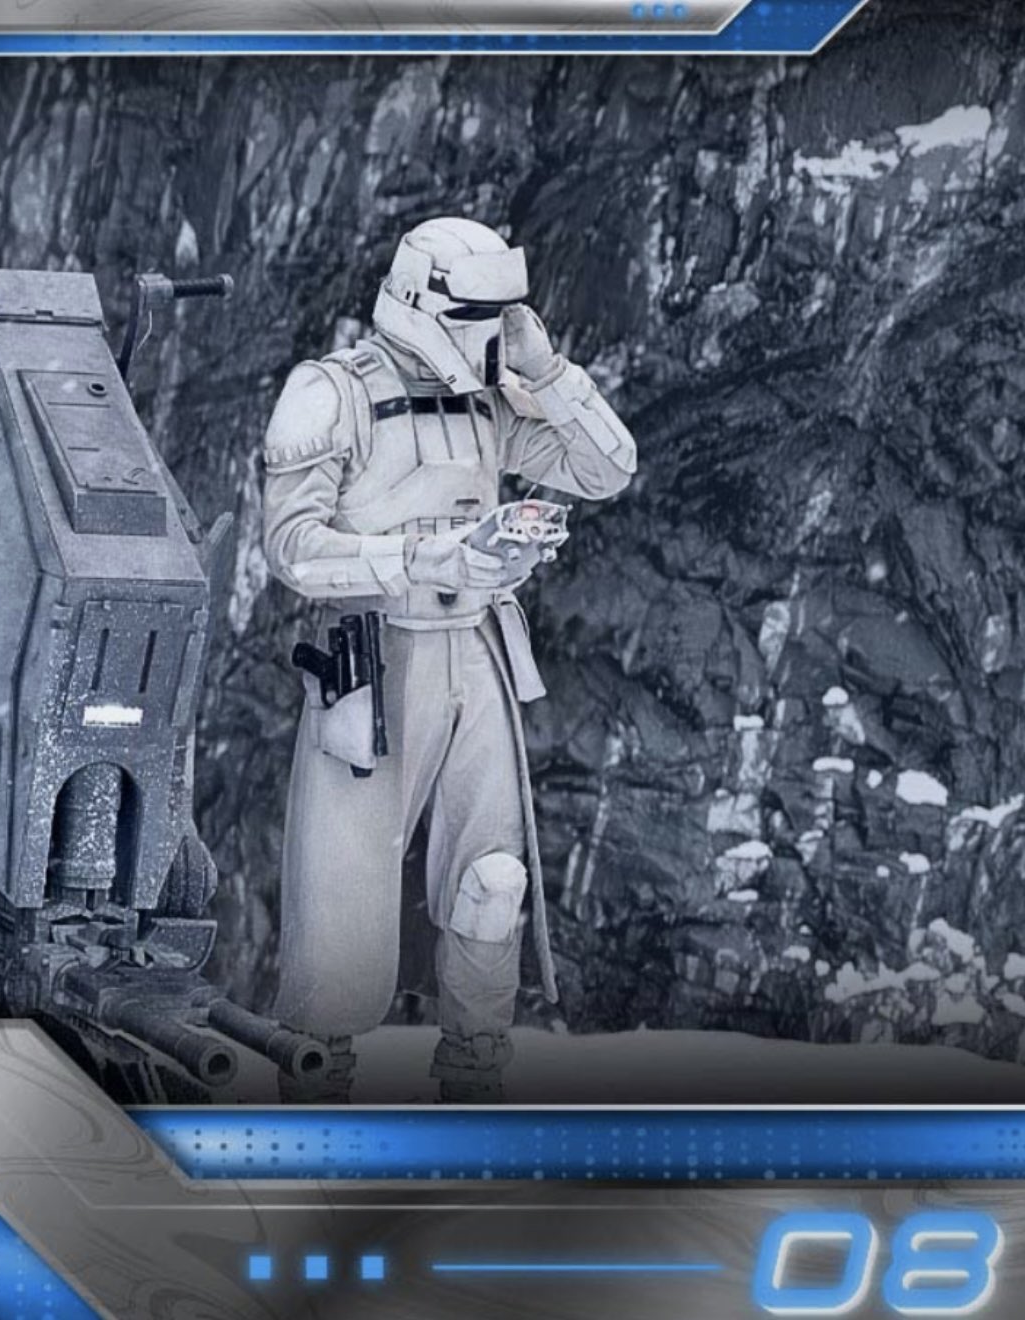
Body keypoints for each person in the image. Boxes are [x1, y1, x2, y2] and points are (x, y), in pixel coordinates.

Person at [261, 216, 636, 1102]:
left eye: (502, 315)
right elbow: (291, 549)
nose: (489, 334)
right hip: (371, 662)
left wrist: (547, 369)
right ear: (423, 302)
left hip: (476, 649)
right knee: (338, 911)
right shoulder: (333, 393)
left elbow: (608, 467)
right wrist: (423, 559)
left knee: (490, 882)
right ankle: (316, 1104)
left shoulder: (488, 403)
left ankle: (474, 1084)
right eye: (477, 315)